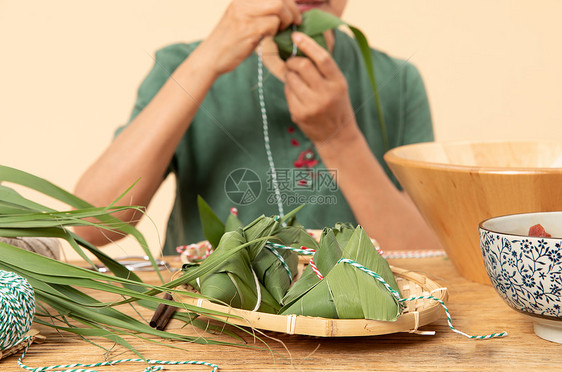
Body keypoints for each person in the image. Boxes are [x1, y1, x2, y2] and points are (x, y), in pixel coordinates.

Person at [74, 0, 441, 255]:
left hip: (352, 332)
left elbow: (429, 256)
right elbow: (92, 224)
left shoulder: (397, 82)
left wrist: (341, 138)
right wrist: (207, 60)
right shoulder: (181, 66)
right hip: (210, 323)